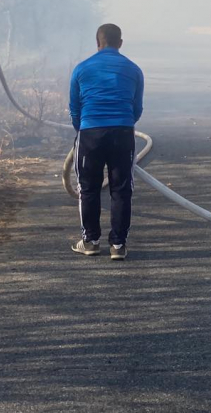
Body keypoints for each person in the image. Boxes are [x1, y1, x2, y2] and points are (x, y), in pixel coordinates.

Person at [69, 23, 144, 260]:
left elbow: (74, 108)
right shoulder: (133, 69)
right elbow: (137, 108)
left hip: (90, 132)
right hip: (122, 132)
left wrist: (82, 129)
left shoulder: (81, 69)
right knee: (121, 189)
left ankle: (90, 241)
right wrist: (123, 123)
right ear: (120, 43)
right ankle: (118, 246)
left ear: (97, 42)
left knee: (88, 188)